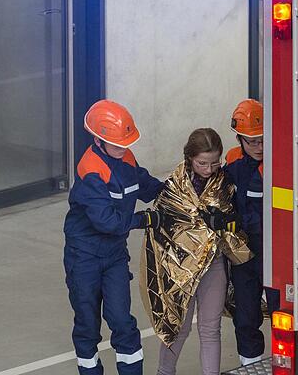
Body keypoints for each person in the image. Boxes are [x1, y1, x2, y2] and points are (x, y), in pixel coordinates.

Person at [63, 99, 166, 375]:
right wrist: (145, 219)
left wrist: (174, 191)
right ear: (98, 140)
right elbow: (107, 221)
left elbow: (145, 185)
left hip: (114, 255)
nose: (123, 148)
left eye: (126, 143)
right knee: (87, 325)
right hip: (84, 256)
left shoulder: (126, 158)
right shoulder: (91, 171)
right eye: (117, 144)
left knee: (122, 321)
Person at [140, 128, 252, 375]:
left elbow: (238, 224)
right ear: (189, 158)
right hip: (180, 267)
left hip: (213, 264)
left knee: (210, 329)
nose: (209, 169)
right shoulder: (174, 186)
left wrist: (227, 220)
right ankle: (164, 372)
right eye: (202, 163)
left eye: (215, 162)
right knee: (177, 327)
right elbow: (162, 228)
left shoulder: (226, 183)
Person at [224, 99, 279, 366]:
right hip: (245, 256)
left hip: (277, 253)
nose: (258, 147)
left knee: (283, 315)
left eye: (262, 140)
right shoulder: (233, 166)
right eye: (251, 141)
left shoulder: (283, 164)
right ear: (240, 140)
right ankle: (250, 365)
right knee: (245, 317)